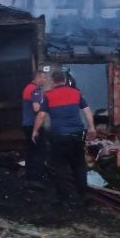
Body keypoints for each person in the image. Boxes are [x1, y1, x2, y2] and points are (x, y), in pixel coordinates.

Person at [31, 70, 96, 204]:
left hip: (59, 137)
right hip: (77, 136)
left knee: (60, 167)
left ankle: (63, 197)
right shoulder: (76, 92)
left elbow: (41, 115)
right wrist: (91, 128)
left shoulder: (48, 95)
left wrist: (35, 131)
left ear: (53, 81)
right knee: (79, 165)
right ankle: (83, 195)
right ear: (65, 80)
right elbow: (87, 111)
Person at [21, 70, 47, 188]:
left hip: (27, 124)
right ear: (38, 78)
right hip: (34, 125)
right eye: (43, 78)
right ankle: (36, 179)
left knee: (30, 152)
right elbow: (36, 108)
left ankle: (29, 177)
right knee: (38, 152)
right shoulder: (35, 90)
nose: (45, 80)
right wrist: (46, 107)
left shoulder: (27, 88)